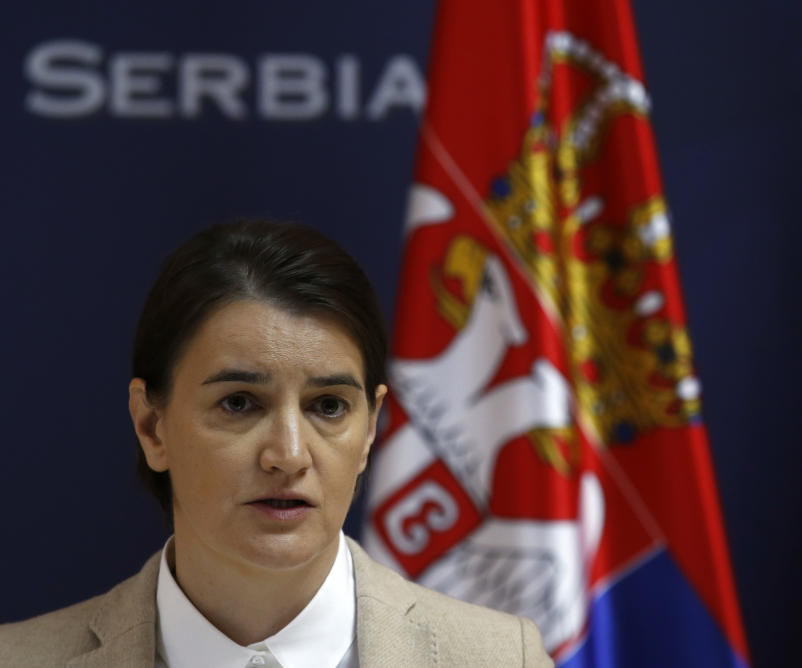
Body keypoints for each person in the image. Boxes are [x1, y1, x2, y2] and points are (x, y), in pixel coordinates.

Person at [0, 221, 552, 667]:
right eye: (239, 403)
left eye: (329, 406)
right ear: (151, 427)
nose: (289, 455)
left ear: (370, 430)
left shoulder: (502, 659)